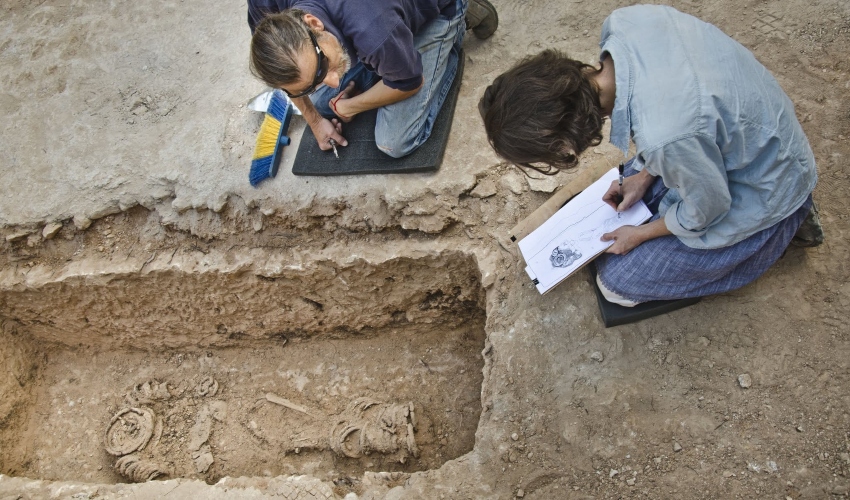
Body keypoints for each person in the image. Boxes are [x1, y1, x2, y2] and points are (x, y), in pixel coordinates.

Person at [478, 5, 823, 307]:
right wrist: (643, 176)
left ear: (565, 135)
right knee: (631, 188)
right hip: (736, 134)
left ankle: (780, 229)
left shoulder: (666, 138)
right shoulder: (623, 24)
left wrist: (640, 235)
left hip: (769, 182)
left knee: (617, 281)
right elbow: (670, 121)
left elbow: (710, 208)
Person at [247, 0, 498, 158]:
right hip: (383, 27)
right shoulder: (265, 8)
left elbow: (409, 83)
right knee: (322, 102)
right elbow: (283, 78)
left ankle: (457, 23)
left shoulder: (373, 28)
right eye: (316, 79)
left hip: (428, 16)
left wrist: (349, 105)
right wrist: (314, 121)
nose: (334, 81)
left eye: (323, 69)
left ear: (313, 23)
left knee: (395, 143)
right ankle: (388, 61)